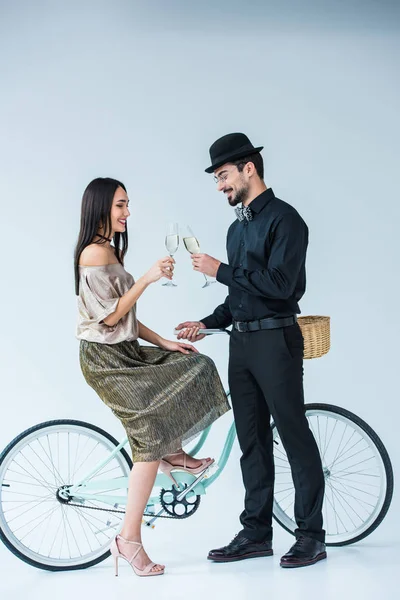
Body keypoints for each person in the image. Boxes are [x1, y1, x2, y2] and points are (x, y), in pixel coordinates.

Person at [176, 133, 326, 568]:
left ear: (249, 168)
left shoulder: (286, 220)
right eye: (217, 178)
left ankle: (311, 536)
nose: (220, 185)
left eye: (223, 176)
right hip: (241, 344)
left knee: (294, 436)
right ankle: (257, 533)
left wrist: (219, 270)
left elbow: (280, 286)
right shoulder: (236, 227)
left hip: (276, 340)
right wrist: (205, 323)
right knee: (252, 441)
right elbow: (239, 298)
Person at [75, 177, 230, 577]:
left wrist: (164, 342)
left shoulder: (107, 249)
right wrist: (145, 278)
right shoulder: (94, 253)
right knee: (146, 435)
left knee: (195, 365)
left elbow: (123, 317)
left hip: (124, 350)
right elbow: (108, 318)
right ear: (101, 209)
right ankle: (128, 540)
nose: (127, 213)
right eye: (120, 206)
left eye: (127, 205)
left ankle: (171, 453)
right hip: (106, 360)